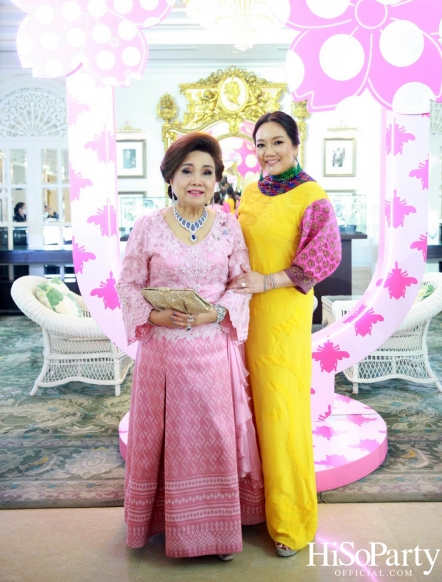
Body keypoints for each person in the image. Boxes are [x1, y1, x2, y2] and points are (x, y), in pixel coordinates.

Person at [116, 132, 264, 560]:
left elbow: (242, 284)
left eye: (207, 172)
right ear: (171, 176)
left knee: (215, 437)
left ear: (217, 180)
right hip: (162, 356)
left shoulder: (228, 225)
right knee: (165, 440)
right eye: (188, 171)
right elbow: (128, 284)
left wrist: (214, 314)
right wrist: (155, 316)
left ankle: (217, 533)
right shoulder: (147, 226)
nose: (197, 180)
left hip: (212, 354)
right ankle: (161, 524)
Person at [229, 111, 342, 557]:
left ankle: (291, 522)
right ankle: (252, 510)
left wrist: (269, 281)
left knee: (280, 415)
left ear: (296, 144)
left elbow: (324, 257)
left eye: (278, 142)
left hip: (282, 316)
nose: (269, 152)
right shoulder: (252, 190)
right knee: (246, 411)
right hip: (242, 316)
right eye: (261, 144)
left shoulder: (311, 193)